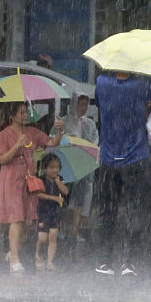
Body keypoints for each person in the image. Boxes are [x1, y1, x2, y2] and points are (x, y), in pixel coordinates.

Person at [92, 71, 151, 276]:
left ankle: (104, 261)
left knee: (107, 210)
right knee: (135, 210)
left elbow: (99, 103)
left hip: (108, 158)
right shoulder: (142, 85)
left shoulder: (101, 82)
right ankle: (128, 262)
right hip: (136, 157)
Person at [0, 102, 62, 275]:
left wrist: (60, 130)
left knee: (28, 221)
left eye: (26, 112)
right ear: (13, 115)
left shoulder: (32, 132)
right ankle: (15, 260)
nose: (25, 116)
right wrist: (17, 145)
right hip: (11, 179)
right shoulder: (4, 134)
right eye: (21, 112)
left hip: (28, 180)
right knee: (16, 218)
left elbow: (52, 142)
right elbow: (2, 160)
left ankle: (12, 251)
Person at [61, 93, 98, 241]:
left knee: (79, 198)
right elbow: (54, 141)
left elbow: (94, 142)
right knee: (63, 198)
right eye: (80, 104)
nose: (83, 108)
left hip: (83, 166)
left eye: (85, 105)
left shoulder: (90, 123)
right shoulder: (63, 122)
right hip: (65, 166)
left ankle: (74, 229)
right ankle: (61, 227)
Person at [34, 153, 68, 272]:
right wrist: (53, 198)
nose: (55, 170)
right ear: (45, 169)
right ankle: (38, 255)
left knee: (53, 237)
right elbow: (38, 193)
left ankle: (49, 261)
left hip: (55, 212)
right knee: (43, 238)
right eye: (52, 167)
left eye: (57, 167)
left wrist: (58, 183)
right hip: (42, 212)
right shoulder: (40, 180)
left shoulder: (61, 179)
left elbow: (66, 191)